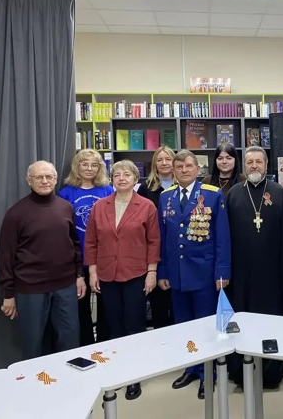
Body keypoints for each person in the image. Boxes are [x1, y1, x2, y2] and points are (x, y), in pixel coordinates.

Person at [84, 160, 160, 401]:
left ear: (135, 179)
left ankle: (134, 375)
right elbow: (91, 241)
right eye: (116, 175)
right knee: (113, 325)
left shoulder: (146, 206)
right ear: (111, 179)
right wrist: (93, 271)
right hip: (107, 274)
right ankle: (118, 371)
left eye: (127, 174)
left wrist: (152, 271)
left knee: (134, 326)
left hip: (136, 273)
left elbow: (154, 241)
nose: (121, 178)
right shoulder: (100, 206)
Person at [158, 149, 230, 400]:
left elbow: (222, 237)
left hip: (204, 272)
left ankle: (207, 373)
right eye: (179, 167)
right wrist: (162, 271)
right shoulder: (165, 197)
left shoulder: (212, 194)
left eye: (189, 166)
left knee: (206, 325)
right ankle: (191, 367)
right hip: (176, 273)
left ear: (198, 169)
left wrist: (222, 271)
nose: (184, 170)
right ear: (174, 171)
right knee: (184, 325)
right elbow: (163, 238)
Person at [0, 160, 85, 360]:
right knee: (33, 343)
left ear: (55, 179)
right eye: (39, 177)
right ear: (29, 180)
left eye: (48, 177)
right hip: (30, 288)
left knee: (70, 339)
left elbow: (74, 243)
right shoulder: (16, 214)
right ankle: (36, 379)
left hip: (65, 285)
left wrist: (79, 274)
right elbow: (5, 256)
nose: (44, 181)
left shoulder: (66, 207)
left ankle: (70, 377)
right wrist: (8, 293)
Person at [225, 146, 283, 387]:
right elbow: (224, 236)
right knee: (242, 322)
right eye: (250, 162)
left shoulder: (278, 192)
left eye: (259, 161)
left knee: (271, 321)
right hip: (241, 274)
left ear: (266, 165)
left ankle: (272, 372)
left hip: (273, 273)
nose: (254, 165)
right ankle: (240, 371)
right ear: (244, 165)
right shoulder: (234, 194)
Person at [59, 149, 114, 344]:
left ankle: (105, 348)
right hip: (77, 259)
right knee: (80, 308)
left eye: (94, 165)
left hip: (104, 258)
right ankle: (86, 347)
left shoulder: (108, 190)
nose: (89, 168)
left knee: (106, 306)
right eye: (85, 164)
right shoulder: (66, 193)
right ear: (77, 166)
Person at [137, 146, 176, 329]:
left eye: (168, 159)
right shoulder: (145, 188)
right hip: (154, 252)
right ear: (154, 164)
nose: (164, 163)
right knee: (158, 305)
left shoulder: (183, 185)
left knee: (177, 306)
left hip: (176, 250)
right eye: (160, 160)